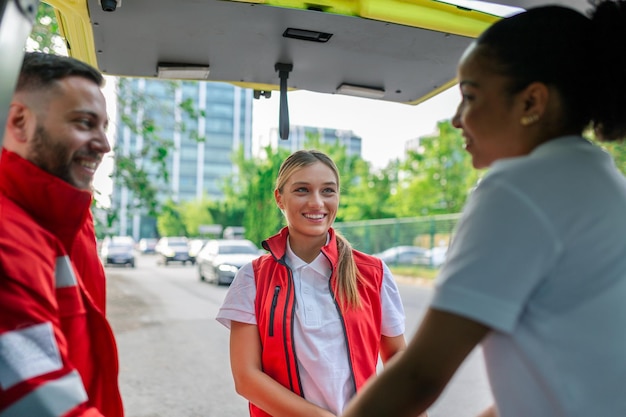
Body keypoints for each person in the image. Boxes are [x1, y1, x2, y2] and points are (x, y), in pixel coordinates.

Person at [341, 2, 626, 417]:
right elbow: (560, 379)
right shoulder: (603, 184)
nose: (457, 119)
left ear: (532, 102)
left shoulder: (519, 190)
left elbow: (420, 376)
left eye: (470, 97)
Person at [216, 149, 419, 417]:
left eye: (328, 191)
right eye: (302, 190)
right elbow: (247, 379)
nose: (317, 202)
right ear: (280, 198)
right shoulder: (252, 278)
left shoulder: (373, 273)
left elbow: (397, 363)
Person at [0, 52, 123, 416]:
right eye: (85, 123)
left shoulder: (70, 219)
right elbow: (40, 401)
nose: (104, 144)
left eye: (104, 126)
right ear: (19, 121)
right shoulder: (10, 237)